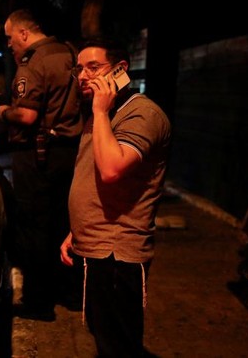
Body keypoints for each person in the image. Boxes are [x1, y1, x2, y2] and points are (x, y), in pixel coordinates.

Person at [59, 40, 171, 357]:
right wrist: (77, 230)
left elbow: (110, 169)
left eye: (93, 67)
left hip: (117, 252)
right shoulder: (104, 114)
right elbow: (93, 180)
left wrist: (99, 110)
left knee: (118, 345)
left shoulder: (141, 115)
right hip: (96, 244)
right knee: (102, 334)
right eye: (79, 68)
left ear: (120, 70)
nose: (82, 75)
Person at [0, 8, 82, 320]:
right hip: (71, 153)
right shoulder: (70, 53)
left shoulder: (33, 61)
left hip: (38, 154)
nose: (9, 45)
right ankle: (72, 294)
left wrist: (3, 111)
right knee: (67, 224)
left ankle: (38, 302)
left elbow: (27, 115)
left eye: (10, 38)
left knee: (33, 228)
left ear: (23, 33)